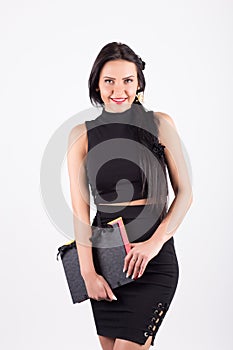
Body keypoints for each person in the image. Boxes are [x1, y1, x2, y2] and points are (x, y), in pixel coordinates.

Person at [67, 42, 193, 350]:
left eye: (127, 80)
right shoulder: (80, 135)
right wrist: (88, 273)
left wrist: (152, 245)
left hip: (153, 259)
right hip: (107, 263)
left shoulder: (160, 123)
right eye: (109, 80)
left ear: (139, 83)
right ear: (97, 83)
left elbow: (185, 194)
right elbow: (80, 212)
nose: (118, 89)